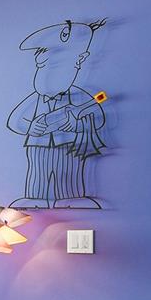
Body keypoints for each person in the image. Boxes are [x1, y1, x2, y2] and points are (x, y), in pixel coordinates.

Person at [7, 19, 107, 209]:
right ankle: (36, 198)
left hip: (69, 145)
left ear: (77, 64)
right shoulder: (35, 99)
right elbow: (15, 121)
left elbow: (98, 114)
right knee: (39, 171)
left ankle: (71, 198)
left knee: (70, 171)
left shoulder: (80, 98)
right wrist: (30, 127)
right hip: (38, 145)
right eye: (44, 67)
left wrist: (77, 124)